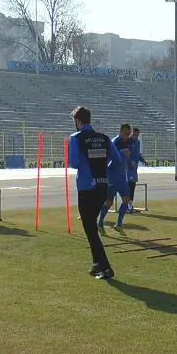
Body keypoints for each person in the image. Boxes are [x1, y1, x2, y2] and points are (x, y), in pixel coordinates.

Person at [68, 106, 121, 280]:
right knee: (91, 226)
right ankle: (96, 264)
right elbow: (117, 160)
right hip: (102, 186)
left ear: (77, 121)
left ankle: (105, 267)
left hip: (86, 187)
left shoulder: (75, 138)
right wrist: (103, 166)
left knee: (90, 229)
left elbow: (74, 163)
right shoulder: (104, 137)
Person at [98, 123, 132, 235]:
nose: (127, 136)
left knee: (126, 199)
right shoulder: (114, 143)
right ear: (120, 131)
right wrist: (121, 154)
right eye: (126, 133)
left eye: (129, 134)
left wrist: (126, 162)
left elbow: (124, 157)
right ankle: (100, 222)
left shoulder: (127, 142)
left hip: (122, 176)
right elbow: (109, 160)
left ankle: (118, 224)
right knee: (109, 201)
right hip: (112, 176)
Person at [127, 126, 147, 213]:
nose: (135, 136)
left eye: (137, 135)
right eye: (134, 134)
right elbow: (125, 154)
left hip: (134, 169)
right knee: (129, 187)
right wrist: (130, 161)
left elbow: (137, 154)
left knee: (132, 187)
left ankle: (130, 206)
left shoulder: (138, 142)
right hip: (128, 168)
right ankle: (127, 207)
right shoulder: (128, 142)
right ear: (131, 133)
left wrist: (143, 160)